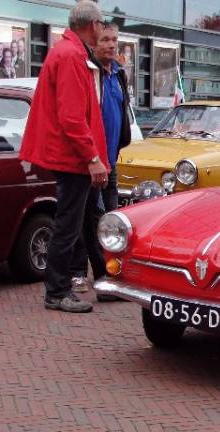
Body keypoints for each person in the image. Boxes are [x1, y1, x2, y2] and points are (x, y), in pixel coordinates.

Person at [19, 0, 108, 313]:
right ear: (92, 25)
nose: (103, 29)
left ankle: (97, 282)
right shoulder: (71, 55)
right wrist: (92, 157)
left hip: (70, 156)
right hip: (72, 158)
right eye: (101, 23)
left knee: (78, 221)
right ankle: (57, 292)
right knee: (69, 225)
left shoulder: (67, 52)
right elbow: (72, 117)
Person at [70, 22, 132, 294]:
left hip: (111, 160)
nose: (110, 44)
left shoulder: (118, 74)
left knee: (110, 219)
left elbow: (122, 111)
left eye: (114, 39)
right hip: (90, 160)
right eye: (105, 39)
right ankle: (78, 273)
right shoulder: (88, 71)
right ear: (94, 42)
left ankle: (110, 273)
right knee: (86, 217)